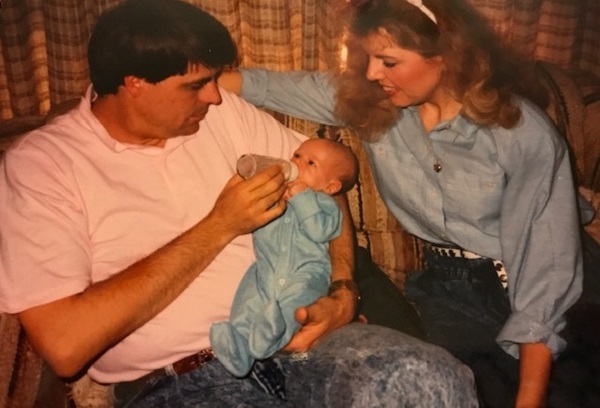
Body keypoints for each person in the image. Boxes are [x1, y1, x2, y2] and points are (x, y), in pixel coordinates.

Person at [0, 0, 478, 407]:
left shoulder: (222, 115)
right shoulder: (43, 166)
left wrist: (342, 291)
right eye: (196, 85)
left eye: (214, 80)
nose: (215, 96)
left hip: (306, 347)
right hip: (181, 380)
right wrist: (219, 226)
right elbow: (65, 346)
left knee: (430, 377)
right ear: (134, 83)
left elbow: (321, 191)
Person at [218, 0, 585, 406]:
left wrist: (530, 396)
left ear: (446, 56)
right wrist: (190, 78)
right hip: (450, 292)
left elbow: (545, 269)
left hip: (551, 288)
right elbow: (267, 86)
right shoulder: (374, 104)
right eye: (370, 58)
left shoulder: (520, 130)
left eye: (389, 62)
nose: (372, 73)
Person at [211, 138, 359, 377]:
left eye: (310, 163)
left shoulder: (326, 204)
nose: (297, 163)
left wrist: (301, 198)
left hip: (306, 272)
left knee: (294, 306)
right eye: (297, 156)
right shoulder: (277, 194)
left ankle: (273, 338)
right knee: (248, 300)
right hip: (265, 268)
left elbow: (320, 232)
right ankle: (239, 347)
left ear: (331, 187)